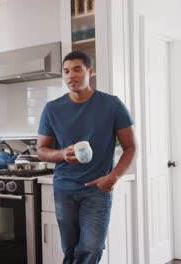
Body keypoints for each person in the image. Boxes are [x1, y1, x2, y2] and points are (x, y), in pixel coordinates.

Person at [37, 51, 136, 264]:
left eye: (77, 69)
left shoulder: (111, 105)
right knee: (70, 250)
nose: (70, 75)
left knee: (92, 248)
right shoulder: (52, 109)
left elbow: (130, 147)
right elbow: (41, 150)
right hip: (64, 189)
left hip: (97, 189)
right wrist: (62, 154)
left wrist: (113, 177)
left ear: (89, 72)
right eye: (66, 71)